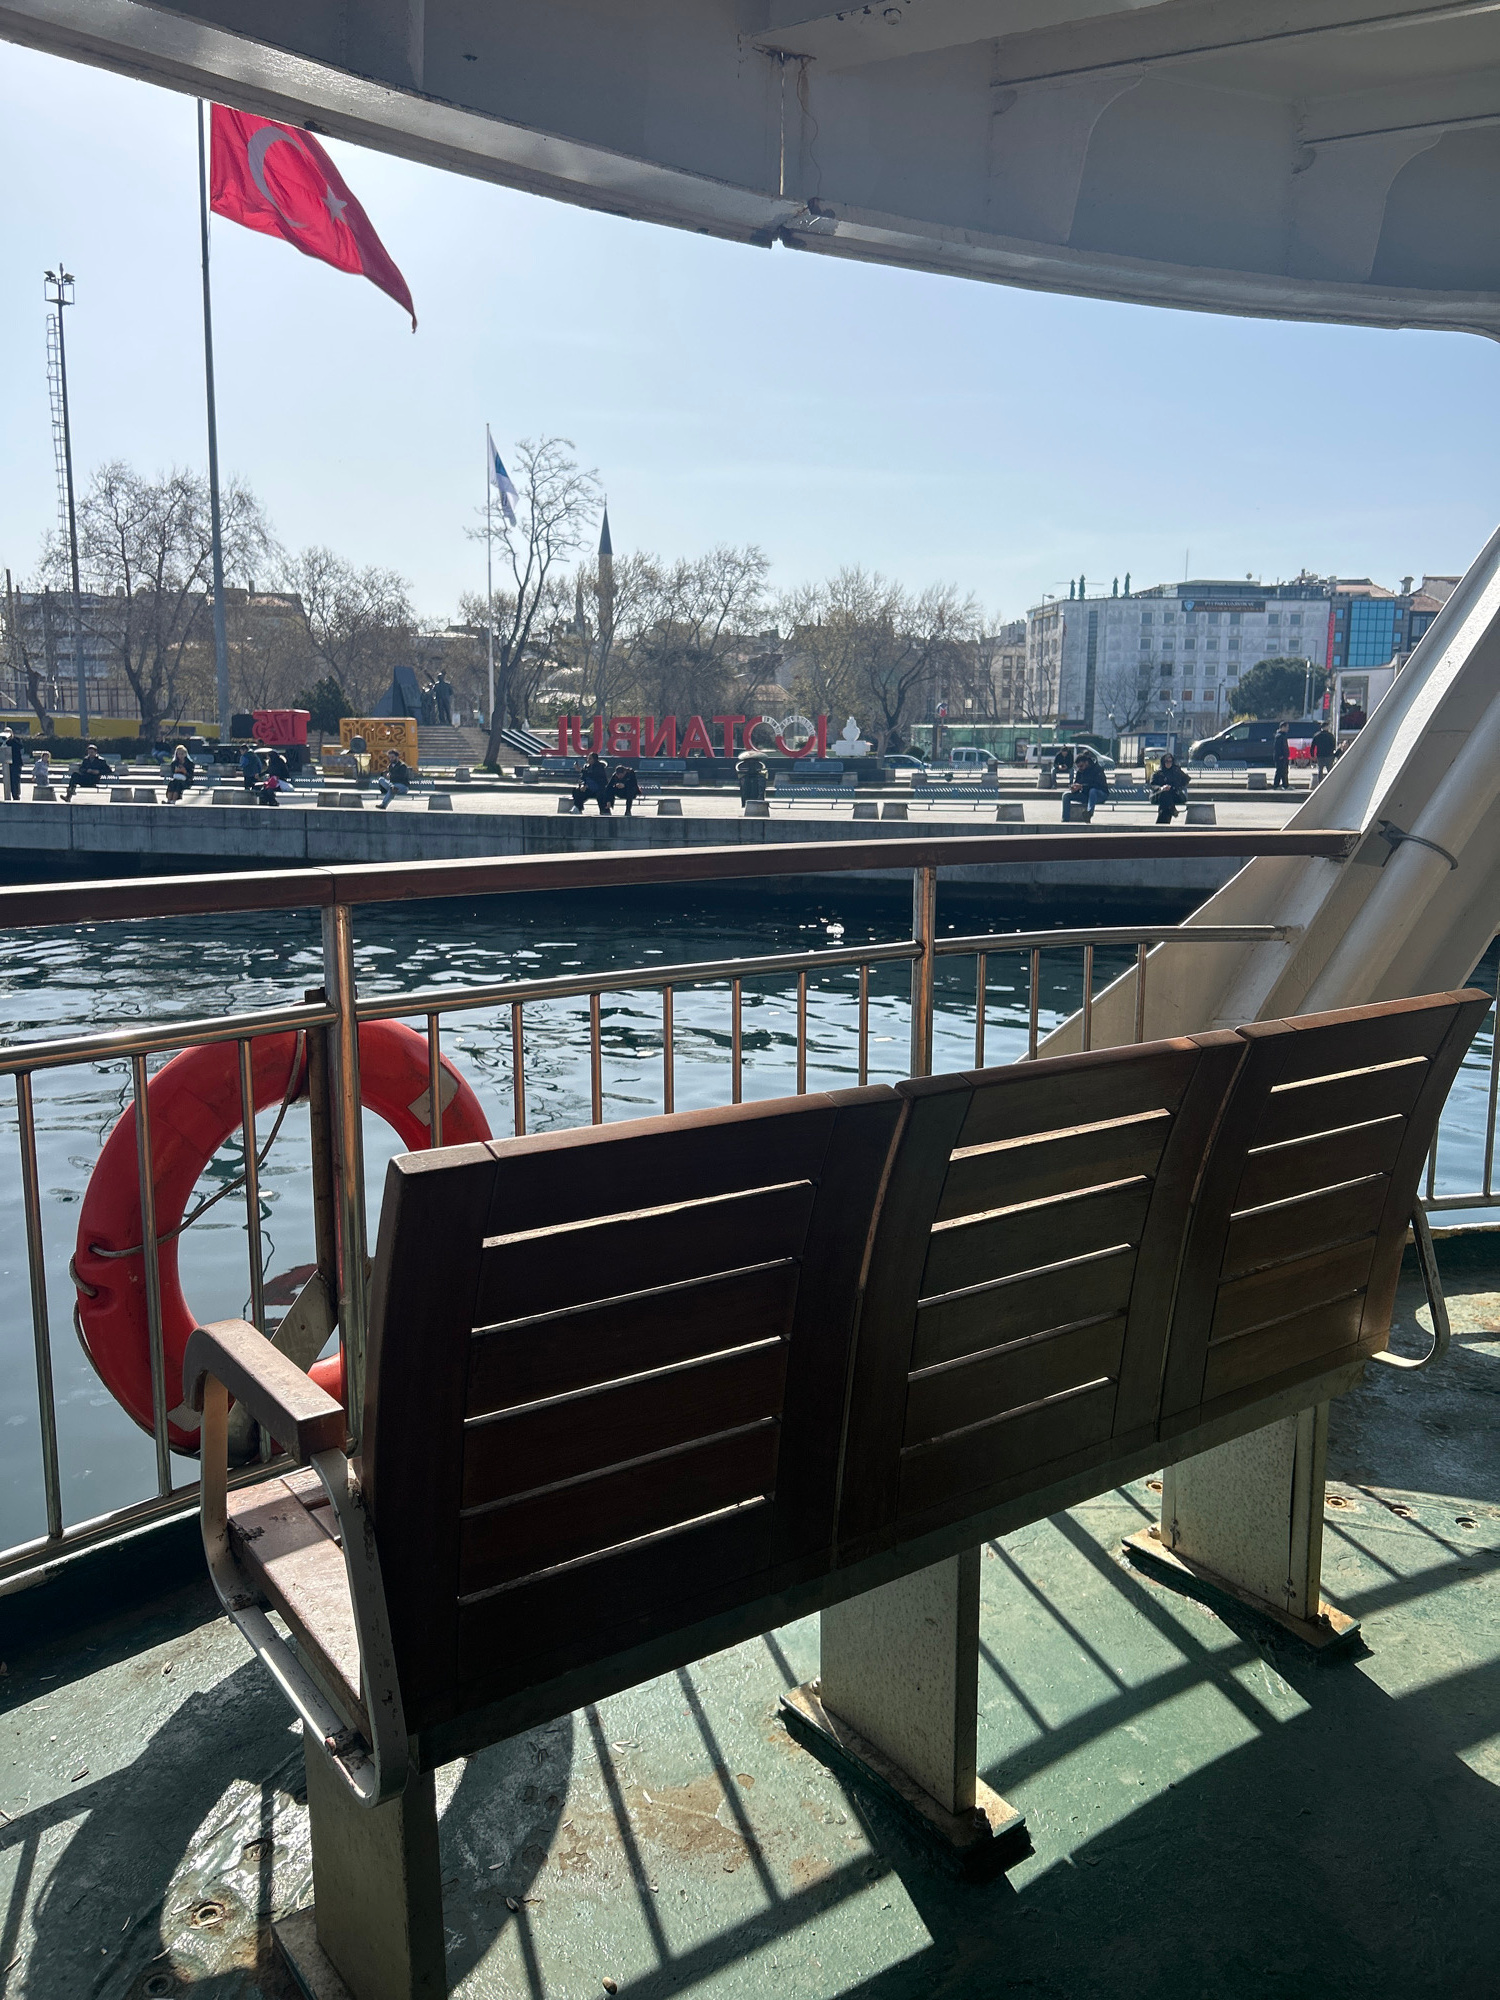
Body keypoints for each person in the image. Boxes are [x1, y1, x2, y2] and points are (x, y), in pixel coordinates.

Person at [1064, 748, 1109, 821]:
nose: (1080, 768)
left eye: (1081, 766)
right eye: (1078, 767)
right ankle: (1065, 818)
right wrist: (1074, 788)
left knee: (1093, 791)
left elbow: (1098, 785)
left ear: (1086, 762)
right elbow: (1077, 782)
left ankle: (1089, 813)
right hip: (1085, 795)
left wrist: (1082, 786)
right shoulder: (1080, 772)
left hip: (1100, 794)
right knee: (1066, 795)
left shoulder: (1097, 769)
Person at [1150, 750, 1190, 824]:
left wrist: (1177, 786)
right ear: (1163, 762)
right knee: (1165, 795)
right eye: (1167, 761)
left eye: (1170, 761)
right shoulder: (1158, 773)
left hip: (1175, 795)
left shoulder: (1176, 771)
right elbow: (1152, 785)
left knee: (1165, 800)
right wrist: (1161, 788)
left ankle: (1160, 825)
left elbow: (1187, 779)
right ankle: (1172, 810)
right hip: (1159, 795)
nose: (1169, 763)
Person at [1272, 722, 1291, 789]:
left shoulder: (1283, 735)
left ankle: (1285, 785)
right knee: (1279, 771)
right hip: (1280, 757)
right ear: (1283, 727)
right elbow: (1277, 748)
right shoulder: (1279, 736)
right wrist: (1280, 755)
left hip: (1284, 757)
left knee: (1284, 772)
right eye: (1286, 727)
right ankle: (1276, 785)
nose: (1288, 729)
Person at [5, 730, 21, 802]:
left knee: (16, 779)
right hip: (7, 763)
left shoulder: (16, 740)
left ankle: (16, 795)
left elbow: (20, 746)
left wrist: (12, 739)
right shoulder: (4, 740)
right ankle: (9, 794)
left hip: (16, 763)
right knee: (10, 780)